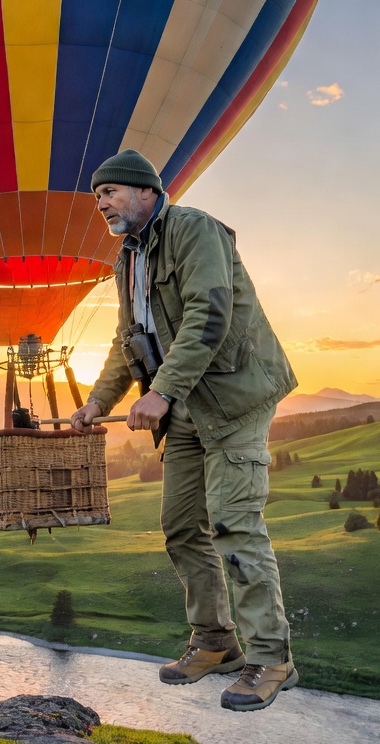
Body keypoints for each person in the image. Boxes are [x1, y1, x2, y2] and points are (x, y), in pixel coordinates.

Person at [69, 149, 299, 712]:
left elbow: (209, 316)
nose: (101, 203)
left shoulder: (194, 229)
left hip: (233, 401)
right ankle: (216, 641)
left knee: (234, 525)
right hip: (187, 411)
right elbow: (130, 340)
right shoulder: (129, 258)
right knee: (180, 527)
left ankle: (272, 659)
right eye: (97, 196)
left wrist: (161, 392)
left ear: (147, 191)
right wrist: (96, 403)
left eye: (111, 192)